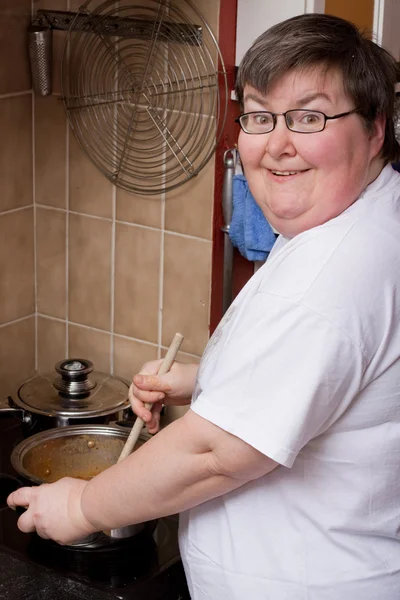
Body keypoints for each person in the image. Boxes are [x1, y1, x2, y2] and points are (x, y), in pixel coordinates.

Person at [8, 13, 400, 599]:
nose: (277, 145)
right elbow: (342, 374)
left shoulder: (330, 276)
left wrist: (84, 503)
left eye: (310, 117)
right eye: (260, 116)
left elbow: (215, 453)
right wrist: (208, 379)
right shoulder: (367, 217)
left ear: (375, 128)